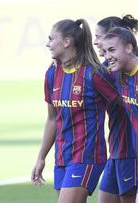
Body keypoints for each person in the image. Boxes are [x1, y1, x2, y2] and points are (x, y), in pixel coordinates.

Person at [31, 18, 120, 203]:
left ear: (66, 41)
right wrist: (41, 157)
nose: (48, 44)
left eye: (51, 39)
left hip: (87, 156)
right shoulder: (51, 75)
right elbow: (52, 119)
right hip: (62, 157)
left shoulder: (94, 74)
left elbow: (122, 106)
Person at [93, 15, 138, 203]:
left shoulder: (131, 68)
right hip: (117, 149)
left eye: (99, 37)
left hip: (131, 149)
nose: (95, 42)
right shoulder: (106, 68)